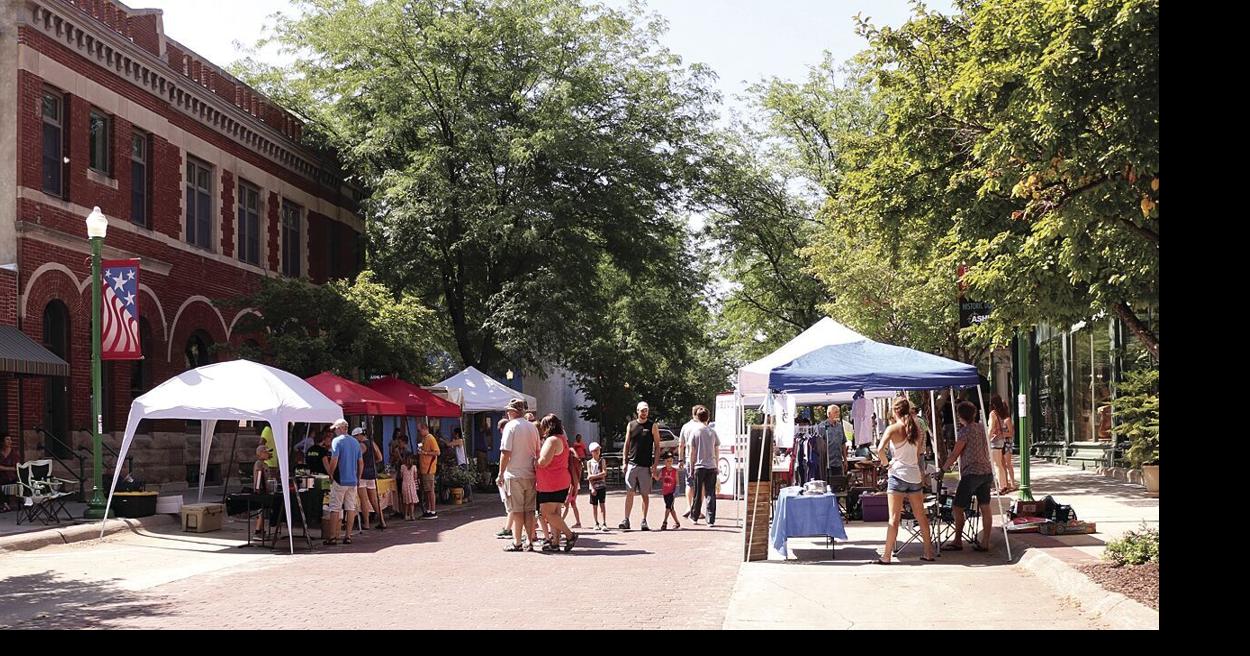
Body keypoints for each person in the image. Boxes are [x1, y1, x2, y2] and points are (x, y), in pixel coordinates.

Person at [876, 398, 935, 564]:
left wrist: (886, 464)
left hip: (897, 475)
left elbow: (880, 450)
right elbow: (917, 453)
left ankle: (886, 555)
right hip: (914, 475)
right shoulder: (917, 428)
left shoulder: (893, 428)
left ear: (895, 411)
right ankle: (928, 552)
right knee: (921, 516)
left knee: (894, 518)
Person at [941, 401, 996, 553]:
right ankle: (985, 542)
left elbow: (955, 453)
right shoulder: (982, 428)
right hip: (986, 471)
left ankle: (958, 540)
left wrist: (943, 469)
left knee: (957, 506)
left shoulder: (964, 432)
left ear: (960, 416)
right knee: (985, 506)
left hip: (972, 472)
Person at [498, 398, 541, 552]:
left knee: (516, 510)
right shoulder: (532, 427)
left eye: (509, 410)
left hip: (514, 474)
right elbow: (537, 451)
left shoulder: (510, 426)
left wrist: (500, 473)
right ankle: (529, 540)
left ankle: (517, 542)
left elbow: (506, 453)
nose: (507, 413)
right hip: (530, 474)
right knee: (529, 510)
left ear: (513, 411)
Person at [535, 414, 579, 552]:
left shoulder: (552, 440)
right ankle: (555, 542)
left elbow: (543, 462)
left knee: (546, 514)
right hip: (560, 481)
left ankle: (570, 535)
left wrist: (535, 460)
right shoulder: (562, 439)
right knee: (555, 514)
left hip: (551, 483)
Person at [619, 401, 660, 531]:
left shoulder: (652, 426)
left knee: (644, 494)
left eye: (646, 410)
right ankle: (626, 519)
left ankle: (644, 520)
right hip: (632, 464)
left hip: (646, 466)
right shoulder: (631, 425)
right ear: (637, 411)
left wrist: (655, 465)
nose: (644, 413)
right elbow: (626, 444)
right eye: (642, 410)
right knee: (629, 492)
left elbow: (657, 446)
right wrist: (624, 462)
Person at [325, 419, 362, 546]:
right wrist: (358, 477)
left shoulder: (337, 441)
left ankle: (332, 537)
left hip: (340, 480)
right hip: (352, 480)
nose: (335, 431)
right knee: (350, 508)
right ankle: (348, 536)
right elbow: (360, 462)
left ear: (341, 428)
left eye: (336, 428)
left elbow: (334, 460)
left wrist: (330, 474)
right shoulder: (355, 442)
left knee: (335, 508)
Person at [681, 404, 720, 525]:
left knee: (697, 493)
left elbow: (692, 452)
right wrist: (717, 465)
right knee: (710, 493)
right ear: (708, 418)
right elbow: (717, 450)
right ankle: (711, 520)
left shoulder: (695, 432)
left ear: (697, 417)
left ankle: (694, 516)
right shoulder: (712, 432)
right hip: (711, 466)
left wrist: (691, 467)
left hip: (699, 466)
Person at [354, 428, 387, 531]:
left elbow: (358, 460)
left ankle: (366, 523)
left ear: (359, 435)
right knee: (374, 499)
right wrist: (372, 463)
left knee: (363, 500)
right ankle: (382, 521)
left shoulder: (361, 445)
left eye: (355, 437)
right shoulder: (372, 443)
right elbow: (380, 457)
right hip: (372, 473)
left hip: (362, 474)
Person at [988, 394, 1018, 494]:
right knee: (1000, 464)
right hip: (1001, 441)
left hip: (996, 442)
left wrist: (987, 439)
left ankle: (1002, 486)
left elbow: (991, 429)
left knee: (998, 465)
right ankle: (1004, 485)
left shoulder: (993, 414)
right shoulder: (1000, 414)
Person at [416, 422, 441, 519]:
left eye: (419, 430)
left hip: (429, 469)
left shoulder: (430, 438)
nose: (418, 432)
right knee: (426, 490)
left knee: (430, 490)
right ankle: (428, 510)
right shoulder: (423, 439)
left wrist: (425, 453)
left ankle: (433, 510)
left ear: (424, 429)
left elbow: (437, 452)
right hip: (424, 469)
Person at [817, 404, 849, 477]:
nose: (838, 414)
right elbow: (820, 445)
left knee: (839, 481)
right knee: (829, 482)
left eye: (838, 412)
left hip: (838, 462)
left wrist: (845, 460)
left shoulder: (840, 426)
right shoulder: (822, 427)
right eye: (835, 412)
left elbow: (843, 443)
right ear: (829, 414)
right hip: (828, 463)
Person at [585, 442, 608, 531]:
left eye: (598, 450)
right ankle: (596, 523)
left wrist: (594, 476)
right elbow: (589, 476)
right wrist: (592, 488)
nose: (597, 452)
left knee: (602, 505)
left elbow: (604, 473)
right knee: (594, 506)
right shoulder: (589, 462)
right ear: (592, 452)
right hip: (594, 487)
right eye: (595, 450)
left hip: (601, 486)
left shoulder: (602, 461)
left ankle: (604, 523)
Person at [250, 444, 271, 534]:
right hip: (261, 489)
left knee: (263, 510)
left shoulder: (265, 464)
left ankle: (261, 528)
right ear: (260, 453)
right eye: (265, 452)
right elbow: (259, 477)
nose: (267, 454)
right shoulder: (258, 463)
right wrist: (258, 488)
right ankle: (258, 529)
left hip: (265, 489)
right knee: (260, 510)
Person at [657, 454, 681, 530]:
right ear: (665, 462)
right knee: (671, 508)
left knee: (668, 507)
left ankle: (664, 522)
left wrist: (677, 490)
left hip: (672, 492)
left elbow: (677, 482)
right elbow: (657, 478)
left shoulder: (675, 471)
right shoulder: (663, 470)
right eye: (668, 461)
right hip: (665, 492)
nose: (669, 463)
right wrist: (653, 474)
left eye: (671, 461)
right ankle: (677, 522)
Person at [563, 445, 583, 528]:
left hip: (571, 486)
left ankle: (560, 521)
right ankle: (578, 522)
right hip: (575, 484)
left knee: (566, 505)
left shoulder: (571, 463)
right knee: (573, 504)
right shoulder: (575, 463)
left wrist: (570, 491)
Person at [1, 434, 20, 513]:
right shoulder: (0, 453)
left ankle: (5, 505)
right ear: (3, 442)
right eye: (7, 439)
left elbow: (16, 467)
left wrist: (3, 468)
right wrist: (9, 468)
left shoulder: (14, 453)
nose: (9, 441)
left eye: (10, 440)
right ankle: (5, 504)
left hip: (12, 477)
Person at [399, 453, 419, 520]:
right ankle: (412, 515)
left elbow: (401, 476)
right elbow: (415, 477)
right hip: (412, 485)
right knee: (412, 501)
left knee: (406, 501)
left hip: (405, 484)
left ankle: (405, 515)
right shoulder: (414, 467)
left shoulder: (402, 467)